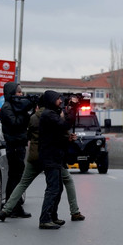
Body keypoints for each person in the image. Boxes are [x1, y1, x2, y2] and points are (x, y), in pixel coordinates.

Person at [0, 98, 85, 222]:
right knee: (64, 183)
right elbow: (60, 133)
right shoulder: (53, 116)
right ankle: (73, 211)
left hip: (34, 155)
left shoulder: (33, 118)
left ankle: (6, 209)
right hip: (50, 156)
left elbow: (28, 134)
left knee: (23, 183)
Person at [37, 91, 77, 229]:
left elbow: (56, 135)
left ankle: (52, 216)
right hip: (50, 156)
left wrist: (67, 139)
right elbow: (64, 125)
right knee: (53, 189)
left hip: (55, 156)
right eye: (57, 99)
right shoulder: (49, 114)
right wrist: (73, 110)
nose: (60, 101)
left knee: (58, 188)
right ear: (50, 100)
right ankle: (45, 219)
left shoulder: (52, 113)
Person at [0, 82, 34, 218]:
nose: (21, 95)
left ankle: (15, 206)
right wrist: (25, 113)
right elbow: (15, 124)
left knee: (17, 177)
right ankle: (13, 207)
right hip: (13, 147)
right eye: (18, 92)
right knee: (15, 177)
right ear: (11, 93)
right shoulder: (7, 108)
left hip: (18, 145)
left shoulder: (13, 107)